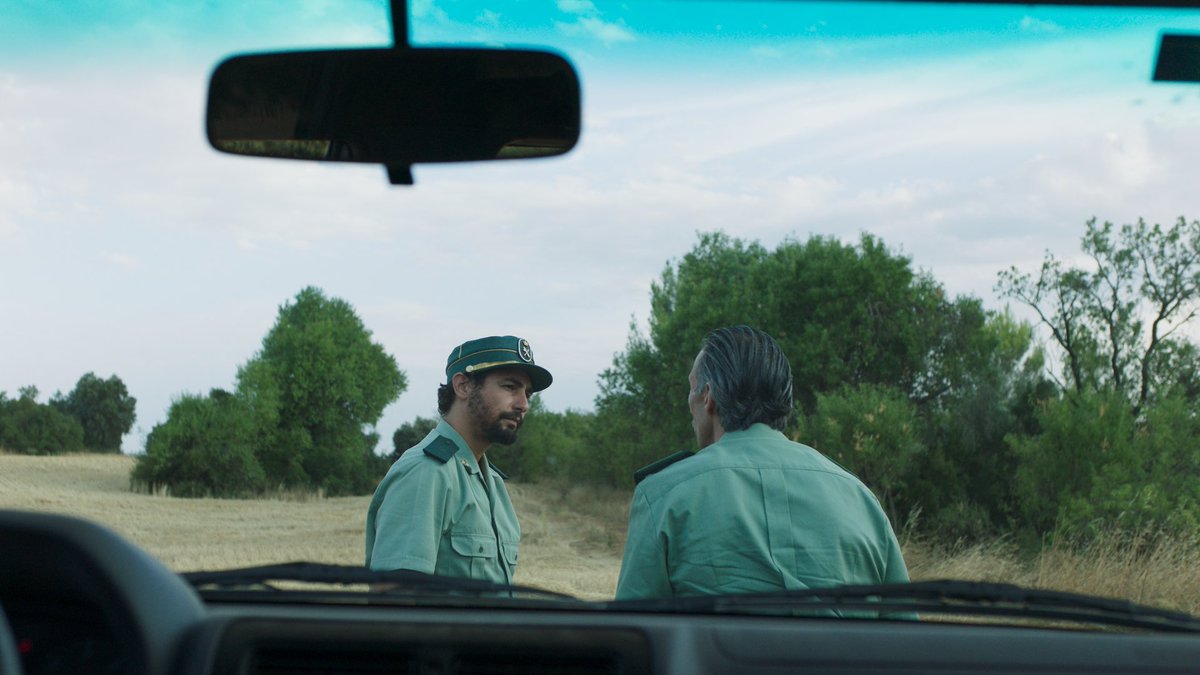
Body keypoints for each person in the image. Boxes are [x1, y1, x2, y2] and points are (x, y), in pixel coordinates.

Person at [615, 325, 909, 600]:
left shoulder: (662, 495)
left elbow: (633, 636)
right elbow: (904, 641)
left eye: (691, 389)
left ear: (708, 397)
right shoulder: (860, 498)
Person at [365, 335, 552, 584]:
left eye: (528, 393)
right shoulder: (426, 473)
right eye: (510, 387)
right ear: (463, 386)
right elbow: (395, 604)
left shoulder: (493, 483)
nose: (524, 404)